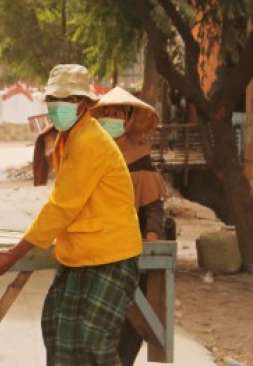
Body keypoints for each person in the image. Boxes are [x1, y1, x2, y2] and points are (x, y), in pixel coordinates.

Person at [0, 64, 142, 365]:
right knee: (58, 331)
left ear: (83, 104)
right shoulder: (66, 138)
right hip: (78, 254)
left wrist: (13, 254)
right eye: (52, 100)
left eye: (67, 100)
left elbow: (61, 207)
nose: (58, 107)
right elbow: (64, 204)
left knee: (93, 341)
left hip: (111, 255)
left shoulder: (90, 142)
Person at [91, 87, 168, 365]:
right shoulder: (93, 155)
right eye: (106, 113)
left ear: (129, 119)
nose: (111, 117)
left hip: (131, 251)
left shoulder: (140, 160)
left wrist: (150, 244)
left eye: (118, 113)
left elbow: (154, 210)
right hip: (95, 248)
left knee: (130, 322)